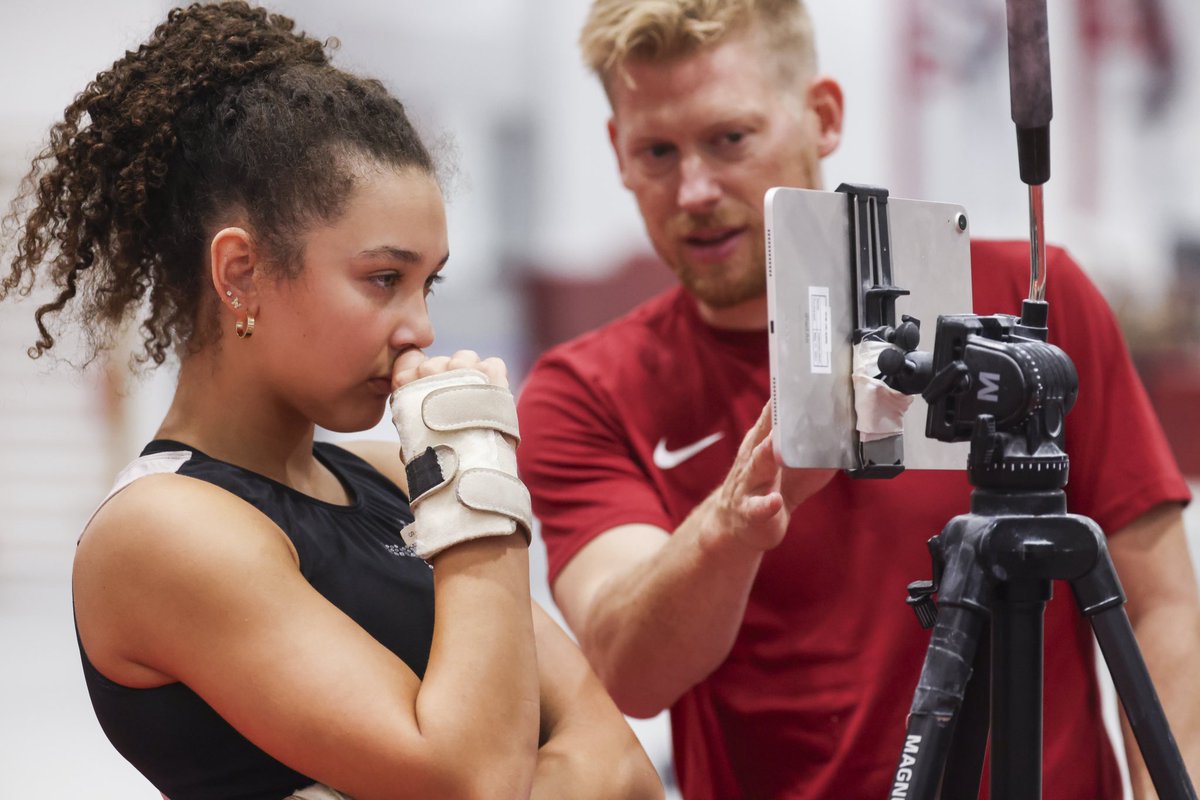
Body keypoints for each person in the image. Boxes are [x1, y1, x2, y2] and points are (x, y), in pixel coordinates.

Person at [515, 1, 1200, 798]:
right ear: (617, 154)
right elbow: (630, 669)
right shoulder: (587, 391)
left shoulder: (1027, 304)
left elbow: (1159, 606)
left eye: (728, 139)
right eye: (657, 151)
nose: (694, 188)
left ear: (822, 116)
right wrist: (737, 524)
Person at [0, 3, 664, 799]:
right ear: (240, 273)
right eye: (384, 279)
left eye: (429, 283)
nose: (419, 328)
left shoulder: (392, 476)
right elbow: (474, 781)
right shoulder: (159, 530)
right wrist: (477, 495)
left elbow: (625, 770)